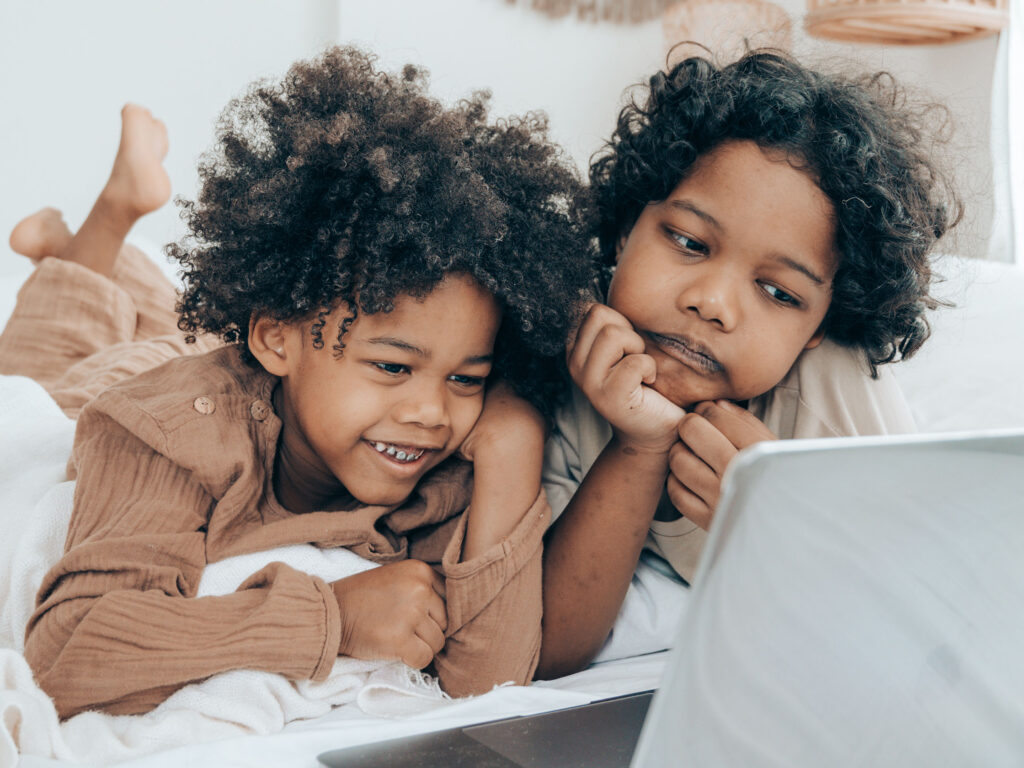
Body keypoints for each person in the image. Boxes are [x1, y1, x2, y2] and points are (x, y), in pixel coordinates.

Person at [0, 46, 594, 718]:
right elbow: (65, 653)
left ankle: (77, 254)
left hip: (250, 361)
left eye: (466, 376)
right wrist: (330, 616)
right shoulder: (168, 431)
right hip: (149, 380)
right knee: (43, 373)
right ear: (274, 337)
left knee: (167, 321)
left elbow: (488, 689)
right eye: (393, 367)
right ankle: (107, 221)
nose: (431, 409)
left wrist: (516, 440)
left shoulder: (440, 456)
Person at [538, 50, 961, 677]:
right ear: (627, 227)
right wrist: (638, 447)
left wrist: (780, 522)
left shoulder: (830, 389)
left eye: (780, 293)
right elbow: (549, 647)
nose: (712, 303)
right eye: (688, 242)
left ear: (819, 328)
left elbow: (928, 623)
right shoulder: (571, 359)